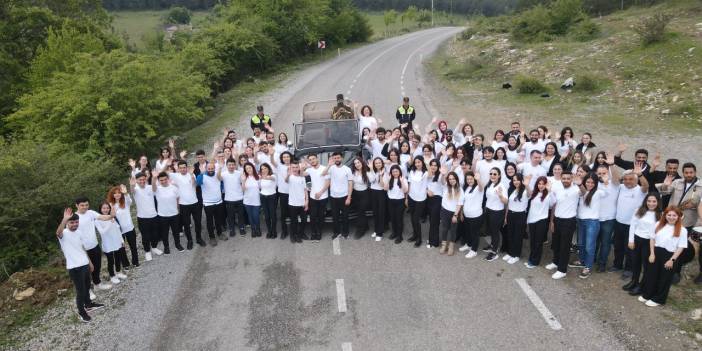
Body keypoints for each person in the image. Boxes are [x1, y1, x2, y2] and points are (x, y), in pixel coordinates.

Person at [656, 162, 702, 283]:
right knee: (670, 245)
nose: (688, 174)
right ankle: (667, 268)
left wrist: (693, 206)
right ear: (683, 173)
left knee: (681, 249)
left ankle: (676, 271)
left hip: (688, 222)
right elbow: (664, 192)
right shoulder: (677, 182)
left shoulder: (701, 186)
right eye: (686, 172)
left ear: (695, 172)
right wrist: (665, 186)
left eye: (691, 172)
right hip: (671, 220)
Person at [56, 208, 104, 323]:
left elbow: (82, 248)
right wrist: (64, 219)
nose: (74, 224)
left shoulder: (79, 232)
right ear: (67, 223)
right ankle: (81, 312)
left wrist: (90, 262)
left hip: (84, 264)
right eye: (72, 222)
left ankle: (89, 305)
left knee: (87, 286)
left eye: (76, 222)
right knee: (80, 291)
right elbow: (58, 232)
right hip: (74, 268)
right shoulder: (64, 234)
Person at [639, 206, 688, 307]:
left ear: (679, 216)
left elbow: (681, 247)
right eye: (669, 215)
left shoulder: (682, 230)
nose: (671, 217)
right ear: (664, 215)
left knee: (664, 278)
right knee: (651, 274)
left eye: (674, 215)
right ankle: (648, 294)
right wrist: (652, 253)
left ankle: (659, 299)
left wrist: (672, 260)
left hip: (670, 255)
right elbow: (652, 239)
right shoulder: (658, 224)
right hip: (656, 252)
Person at [611, 166, 649, 277]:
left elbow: (646, 186)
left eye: (631, 179)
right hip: (618, 222)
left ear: (636, 180)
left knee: (630, 248)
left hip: (632, 225)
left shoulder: (640, 190)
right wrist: (612, 165)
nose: (628, 181)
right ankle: (617, 265)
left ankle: (629, 268)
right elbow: (615, 180)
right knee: (618, 246)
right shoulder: (621, 187)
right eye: (626, 179)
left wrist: (640, 175)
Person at [623, 193, 662, 296]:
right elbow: (633, 225)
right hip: (637, 239)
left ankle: (641, 286)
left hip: (648, 242)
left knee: (646, 265)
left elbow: (659, 232)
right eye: (649, 201)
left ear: (658, 202)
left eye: (654, 201)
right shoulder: (639, 210)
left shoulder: (660, 215)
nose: (651, 203)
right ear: (646, 201)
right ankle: (634, 281)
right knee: (635, 262)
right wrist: (631, 240)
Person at [573, 173, 609, 279]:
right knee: (581, 244)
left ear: (596, 183)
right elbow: (581, 192)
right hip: (581, 221)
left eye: (592, 182)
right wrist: (579, 184)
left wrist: (606, 182)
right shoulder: (581, 191)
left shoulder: (598, 192)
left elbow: (606, 193)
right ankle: (582, 260)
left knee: (589, 246)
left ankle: (588, 267)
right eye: (588, 182)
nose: (590, 184)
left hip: (592, 222)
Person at [74, 197, 112, 292]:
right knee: (85, 271)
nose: (85, 207)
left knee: (97, 266)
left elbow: (102, 217)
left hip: (94, 245)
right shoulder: (74, 217)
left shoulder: (91, 213)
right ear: (77, 205)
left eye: (86, 205)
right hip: (83, 249)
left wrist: (112, 215)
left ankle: (97, 284)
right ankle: (88, 290)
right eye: (82, 205)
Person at [547, 171, 580, 279]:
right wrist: (549, 192)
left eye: (568, 178)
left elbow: (584, 193)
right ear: (561, 179)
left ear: (572, 179)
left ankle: (562, 270)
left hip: (569, 221)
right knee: (556, 243)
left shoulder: (576, 189)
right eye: (564, 178)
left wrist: (580, 184)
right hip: (557, 219)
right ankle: (556, 262)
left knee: (565, 246)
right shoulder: (557, 188)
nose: (566, 180)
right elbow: (553, 204)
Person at [170, 160, 203, 249]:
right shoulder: (176, 176)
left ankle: (199, 238)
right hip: (183, 204)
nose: (183, 169)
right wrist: (168, 163)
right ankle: (190, 240)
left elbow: (195, 185)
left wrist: (192, 175)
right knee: (186, 224)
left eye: (184, 167)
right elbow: (163, 172)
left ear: (187, 168)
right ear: (178, 169)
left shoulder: (191, 175)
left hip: (194, 202)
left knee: (198, 222)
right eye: (180, 168)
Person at [95, 202, 128, 285]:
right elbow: (102, 232)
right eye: (104, 208)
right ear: (100, 209)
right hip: (108, 243)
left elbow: (117, 229)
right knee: (110, 260)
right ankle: (112, 276)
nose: (106, 210)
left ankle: (118, 272)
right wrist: (110, 221)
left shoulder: (113, 217)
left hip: (116, 241)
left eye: (107, 208)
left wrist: (122, 240)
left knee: (118, 257)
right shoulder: (97, 220)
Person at [130, 172, 161, 262]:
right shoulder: (135, 189)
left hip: (154, 215)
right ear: (137, 181)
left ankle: (154, 248)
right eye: (140, 180)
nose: (142, 181)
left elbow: (155, 189)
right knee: (145, 236)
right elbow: (132, 191)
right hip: (142, 217)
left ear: (146, 179)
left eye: (143, 179)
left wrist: (154, 178)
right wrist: (131, 185)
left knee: (155, 234)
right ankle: (147, 251)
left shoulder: (150, 187)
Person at [106, 185, 138, 267]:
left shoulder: (125, 202)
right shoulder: (110, 205)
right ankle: (125, 264)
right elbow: (108, 215)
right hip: (119, 231)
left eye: (119, 193)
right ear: (112, 195)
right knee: (121, 249)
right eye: (115, 193)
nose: (117, 194)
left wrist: (126, 192)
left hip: (130, 228)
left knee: (133, 246)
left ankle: (135, 261)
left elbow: (129, 200)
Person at [323, 152, 353, 239]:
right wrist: (328, 165)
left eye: (338, 158)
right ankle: (336, 232)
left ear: (342, 158)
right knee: (335, 216)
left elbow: (350, 183)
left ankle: (345, 233)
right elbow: (323, 174)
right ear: (333, 159)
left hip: (344, 196)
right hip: (333, 197)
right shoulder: (331, 168)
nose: (337, 159)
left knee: (345, 216)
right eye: (335, 158)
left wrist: (349, 197)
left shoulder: (347, 169)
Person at [526, 176, 554, 268]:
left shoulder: (548, 194)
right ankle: (531, 259)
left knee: (538, 242)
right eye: (539, 183)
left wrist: (550, 191)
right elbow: (528, 194)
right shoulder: (534, 193)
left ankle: (535, 262)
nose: (541, 186)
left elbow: (552, 203)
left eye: (543, 184)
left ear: (546, 185)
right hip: (532, 220)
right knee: (532, 241)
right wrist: (526, 184)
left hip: (541, 221)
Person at [152, 171, 183, 253]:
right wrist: (154, 178)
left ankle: (178, 244)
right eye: (161, 180)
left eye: (165, 179)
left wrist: (178, 209)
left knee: (175, 231)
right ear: (158, 181)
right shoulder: (157, 189)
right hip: (162, 215)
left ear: (168, 179)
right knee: (164, 233)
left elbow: (177, 199)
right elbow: (153, 187)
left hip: (174, 214)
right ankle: (166, 247)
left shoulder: (174, 188)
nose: (163, 181)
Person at [196, 162, 226, 245]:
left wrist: (219, 169)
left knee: (218, 219)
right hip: (208, 203)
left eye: (212, 168)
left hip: (219, 201)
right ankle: (212, 237)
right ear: (206, 169)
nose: (210, 170)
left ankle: (220, 233)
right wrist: (201, 174)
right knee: (209, 221)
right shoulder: (202, 176)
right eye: (209, 169)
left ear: (214, 168)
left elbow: (221, 179)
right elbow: (198, 183)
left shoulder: (217, 174)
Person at [303, 154, 329, 242]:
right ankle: (313, 233)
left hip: (323, 196)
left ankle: (319, 232)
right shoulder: (309, 169)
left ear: (317, 159)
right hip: (313, 197)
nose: (312, 160)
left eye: (313, 159)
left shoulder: (324, 168)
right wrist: (303, 167)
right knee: (313, 216)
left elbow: (328, 182)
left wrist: (321, 192)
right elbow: (301, 174)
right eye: (310, 160)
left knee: (321, 216)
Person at [483, 168, 508, 261]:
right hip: (489, 210)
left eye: (495, 174)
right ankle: (492, 245)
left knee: (495, 232)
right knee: (491, 230)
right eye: (491, 173)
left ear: (499, 176)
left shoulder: (501, 186)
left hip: (497, 212)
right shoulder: (490, 184)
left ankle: (494, 252)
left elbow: (506, 201)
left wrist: (500, 195)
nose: (492, 175)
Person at [504, 173, 529, 265]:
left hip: (520, 216)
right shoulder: (513, 190)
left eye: (517, 180)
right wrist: (506, 216)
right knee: (510, 235)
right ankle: (510, 253)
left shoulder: (525, 191)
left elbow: (530, 194)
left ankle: (516, 255)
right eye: (514, 180)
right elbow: (509, 205)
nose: (515, 182)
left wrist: (527, 185)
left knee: (517, 236)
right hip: (511, 214)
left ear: (521, 180)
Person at [219, 158, 247, 239]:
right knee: (230, 216)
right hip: (229, 199)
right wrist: (220, 168)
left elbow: (243, 184)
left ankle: (241, 228)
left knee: (241, 215)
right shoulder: (223, 174)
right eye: (229, 165)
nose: (231, 166)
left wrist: (244, 181)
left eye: (233, 165)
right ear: (227, 166)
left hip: (240, 198)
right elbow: (219, 178)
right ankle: (231, 229)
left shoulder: (239, 173)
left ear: (235, 165)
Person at [459, 172, 484, 258]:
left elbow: (481, 187)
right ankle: (468, 245)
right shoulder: (466, 188)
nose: (469, 181)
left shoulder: (478, 187)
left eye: (471, 179)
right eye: (467, 179)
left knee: (474, 233)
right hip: (467, 215)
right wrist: (462, 213)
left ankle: (474, 250)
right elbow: (463, 201)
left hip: (476, 215)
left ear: (474, 179)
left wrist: (478, 179)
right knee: (468, 232)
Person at [439, 171, 464, 256]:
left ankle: (451, 246)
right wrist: (442, 174)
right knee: (444, 229)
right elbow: (442, 181)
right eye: (449, 179)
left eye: (453, 179)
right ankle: (444, 245)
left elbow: (460, 203)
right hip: (444, 210)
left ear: (456, 179)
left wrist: (455, 215)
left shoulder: (460, 189)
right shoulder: (446, 186)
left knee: (453, 230)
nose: (451, 180)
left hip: (454, 212)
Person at [407, 156, 429, 248]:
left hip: (421, 199)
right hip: (411, 197)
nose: (417, 164)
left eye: (419, 162)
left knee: (416, 219)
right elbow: (410, 184)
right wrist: (407, 197)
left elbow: (432, 174)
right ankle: (415, 235)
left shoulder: (426, 173)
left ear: (422, 163)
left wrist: (427, 163)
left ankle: (419, 238)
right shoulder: (412, 171)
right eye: (415, 162)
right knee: (412, 218)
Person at [384, 165, 408, 244]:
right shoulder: (390, 179)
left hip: (400, 201)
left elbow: (405, 190)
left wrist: (401, 182)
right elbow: (385, 189)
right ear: (391, 172)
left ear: (399, 171)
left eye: (396, 171)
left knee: (399, 219)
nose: (395, 173)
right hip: (390, 201)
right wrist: (387, 180)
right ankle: (394, 233)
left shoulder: (403, 179)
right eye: (393, 172)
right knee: (392, 218)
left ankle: (399, 236)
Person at [286, 161, 308, 243]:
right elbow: (286, 180)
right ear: (291, 168)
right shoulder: (290, 177)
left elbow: (305, 190)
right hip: (292, 203)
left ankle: (300, 234)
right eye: (293, 167)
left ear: (299, 168)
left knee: (304, 220)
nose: (295, 169)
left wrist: (307, 202)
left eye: (296, 167)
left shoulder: (302, 177)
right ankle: (293, 235)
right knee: (294, 221)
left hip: (302, 203)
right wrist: (288, 174)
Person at [350, 157, 371, 238]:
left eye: (358, 162)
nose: (357, 164)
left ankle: (361, 230)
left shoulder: (367, 172)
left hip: (364, 194)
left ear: (362, 162)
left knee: (361, 212)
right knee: (359, 211)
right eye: (355, 163)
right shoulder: (353, 172)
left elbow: (372, 180)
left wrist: (371, 169)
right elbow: (351, 184)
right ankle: (366, 226)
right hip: (355, 194)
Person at [426, 159, 444, 248]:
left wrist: (444, 174)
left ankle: (434, 242)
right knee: (431, 220)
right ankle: (432, 239)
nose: (433, 167)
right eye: (432, 165)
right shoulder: (427, 174)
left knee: (434, 221)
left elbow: (444, 182)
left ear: (438, 167)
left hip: (437, 199)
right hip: (429, 199)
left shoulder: (440, 176)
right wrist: (427, 190)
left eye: (435, 165)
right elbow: (424, 185)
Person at [241, 162, 262, 237]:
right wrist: (243, 181)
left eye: (250, 167)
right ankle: (253, 229)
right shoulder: (244, 177)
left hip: (256, 200)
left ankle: (258, 229)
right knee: (250, 216)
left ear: (253, 168)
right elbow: (243, 189)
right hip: (247, 201)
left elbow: (261, 188)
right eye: (246, 168)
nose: (248, 169)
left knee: (256, 216)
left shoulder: (258, 177)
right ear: (245, 170)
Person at [369, 157, 386, 242]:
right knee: (375, 212)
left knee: (381, 213)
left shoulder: (385, 172)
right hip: (373, 192)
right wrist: (372, 170)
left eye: (379, 163)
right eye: (376, 163)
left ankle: (380, 233)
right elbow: (372, 180)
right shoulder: (370, 171)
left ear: (382, 163)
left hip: (381, 193)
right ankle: (376, 230)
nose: (378, 164)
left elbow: (382, 185)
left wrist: (380, 175)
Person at [258, 163, 277, 239]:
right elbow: (259, 187)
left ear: (268, 168)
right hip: (263, 196)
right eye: (262, 169)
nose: (264, 170)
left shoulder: (273, 176)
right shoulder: (260, 177)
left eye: (265, 168)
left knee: (272, 214)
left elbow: (270, 178)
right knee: (266, 215)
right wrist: (259, 177)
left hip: (271, 197)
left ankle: (274, 231)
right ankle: (269, 231)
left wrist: (261, 177)